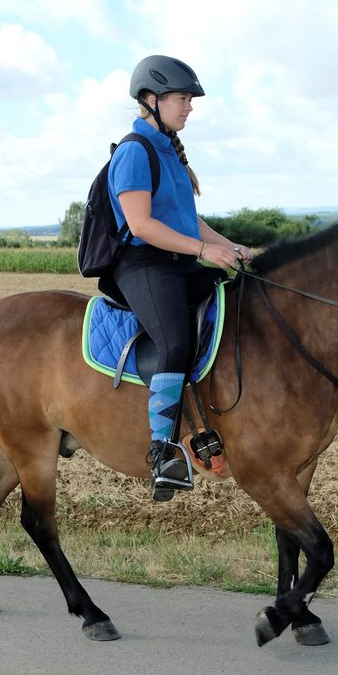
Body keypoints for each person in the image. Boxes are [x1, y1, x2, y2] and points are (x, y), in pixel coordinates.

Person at [108, 55, 252, 501]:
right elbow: (142, 225)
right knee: (175, 342)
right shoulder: (134, 152)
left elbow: (188, 221)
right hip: (144, 265)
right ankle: (162, 452)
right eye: (182, 99)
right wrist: (206, 252)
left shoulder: (168, 149)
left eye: (189, 100)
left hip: (178, 259)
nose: (189, 107)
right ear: (151, 100)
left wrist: (231, 247)